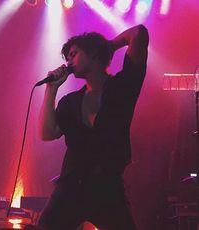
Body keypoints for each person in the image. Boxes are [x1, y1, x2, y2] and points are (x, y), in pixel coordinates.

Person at [37, 24, 149, 230]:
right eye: (67, 58)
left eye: (73, 54)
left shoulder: (122, 87)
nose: (68, 62)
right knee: (45, 225)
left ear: (93, 54)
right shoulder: (69, 102)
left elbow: (139, 33)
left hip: (108, 187)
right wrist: (51, 90)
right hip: (70, 186)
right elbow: (47, 133)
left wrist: (107, 47)